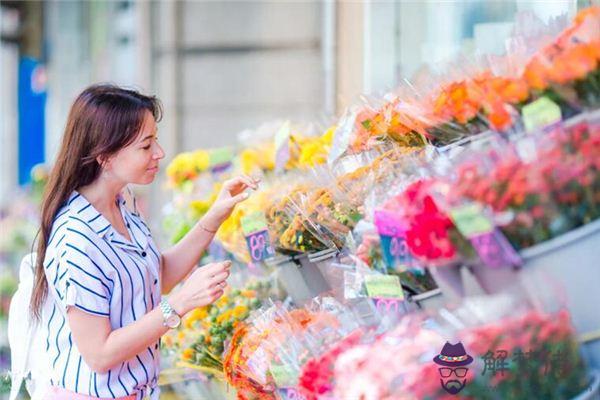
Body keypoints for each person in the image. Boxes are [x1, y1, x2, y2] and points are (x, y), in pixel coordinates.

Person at [28, 84, 258, 399]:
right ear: (104, 156)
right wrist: (180, 303)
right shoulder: (76, 241)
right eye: (146, 145)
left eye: (156, 140)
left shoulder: (124, 202)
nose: (159, 154)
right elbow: (100, 354)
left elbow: (156, 276)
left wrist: (215, 215)